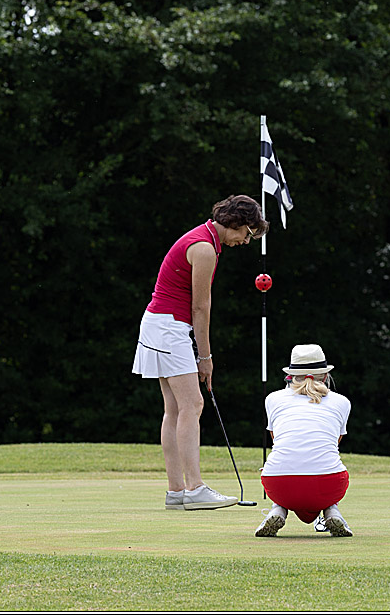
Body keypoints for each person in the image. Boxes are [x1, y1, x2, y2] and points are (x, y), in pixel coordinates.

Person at [132, 195, 269, 510]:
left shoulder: (204, 238)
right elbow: (200, 307)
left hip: (159, 325)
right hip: (169, 327)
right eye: (247, 233)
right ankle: (194, 489)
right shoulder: (205, 248)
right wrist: (205, 358)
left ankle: (176, 491)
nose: (245, 241)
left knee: (175, 410)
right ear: (235, 222)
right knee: (192, 404)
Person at [255, 344, 354, 538]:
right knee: (330, 467)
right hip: (328, 485)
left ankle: (278, 510)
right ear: (325, 376)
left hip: (278, 485)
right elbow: (334, 443)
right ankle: (331, 512)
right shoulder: (342, 402)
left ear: (290, 376)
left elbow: (277, 440)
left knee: (279, 467)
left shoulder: (273, 399)